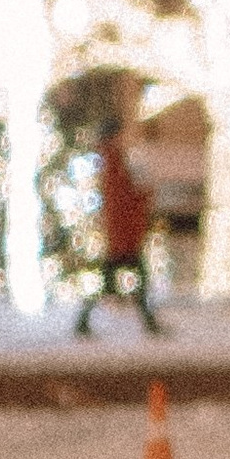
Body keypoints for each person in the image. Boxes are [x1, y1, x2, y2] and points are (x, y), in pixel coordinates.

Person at [75, 117, 163, 337]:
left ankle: (85, 322)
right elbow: (123, 199)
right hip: (123, 236)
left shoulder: (109, 159)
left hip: (121, 235)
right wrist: (144, 196)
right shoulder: (114, 160)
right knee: (129, 282)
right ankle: (148, 323)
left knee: (116, 283)